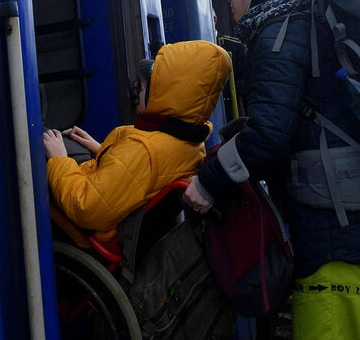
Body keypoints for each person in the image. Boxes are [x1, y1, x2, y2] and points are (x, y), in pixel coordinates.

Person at [182, 0, 360, 339]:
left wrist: (207, 182)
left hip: (332, 232)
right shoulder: (310, 21)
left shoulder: (281, 31)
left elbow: (268, 136)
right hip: (352, 219)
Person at [43, 40, 231, 242]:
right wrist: (106, 152)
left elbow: (86, 206)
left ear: (165, 94)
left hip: (80, 233)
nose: (140, 87)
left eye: (149, 83)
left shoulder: (143, 152)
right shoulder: (188, 143)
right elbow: (136, 177)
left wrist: (60, 160)